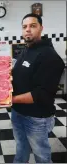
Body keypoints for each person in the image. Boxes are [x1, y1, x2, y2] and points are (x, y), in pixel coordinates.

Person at [11, 13, 65, 163]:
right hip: (18, 112)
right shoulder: (28, 49)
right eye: (24, 27)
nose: (28, 30)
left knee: (41, 155)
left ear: (41, 28)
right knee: (21, 148)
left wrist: (10, 99)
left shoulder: (49, 56)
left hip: (36, 117)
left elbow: (42, 94)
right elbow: (20, 75)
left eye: (32, 26)